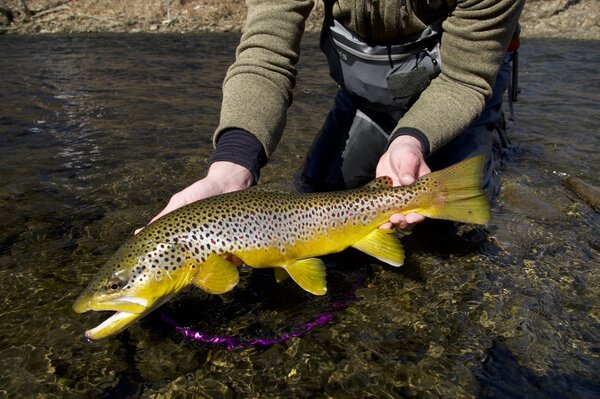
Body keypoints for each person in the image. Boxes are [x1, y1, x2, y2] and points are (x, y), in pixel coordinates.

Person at [144, 0, 524, 231]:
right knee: (317, 193)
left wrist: (410, 140)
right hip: (368, 89)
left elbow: (464, 78)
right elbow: (265, 55)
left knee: (455, 226)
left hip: (460, 83)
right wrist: (232, 165)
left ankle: (488, 136)